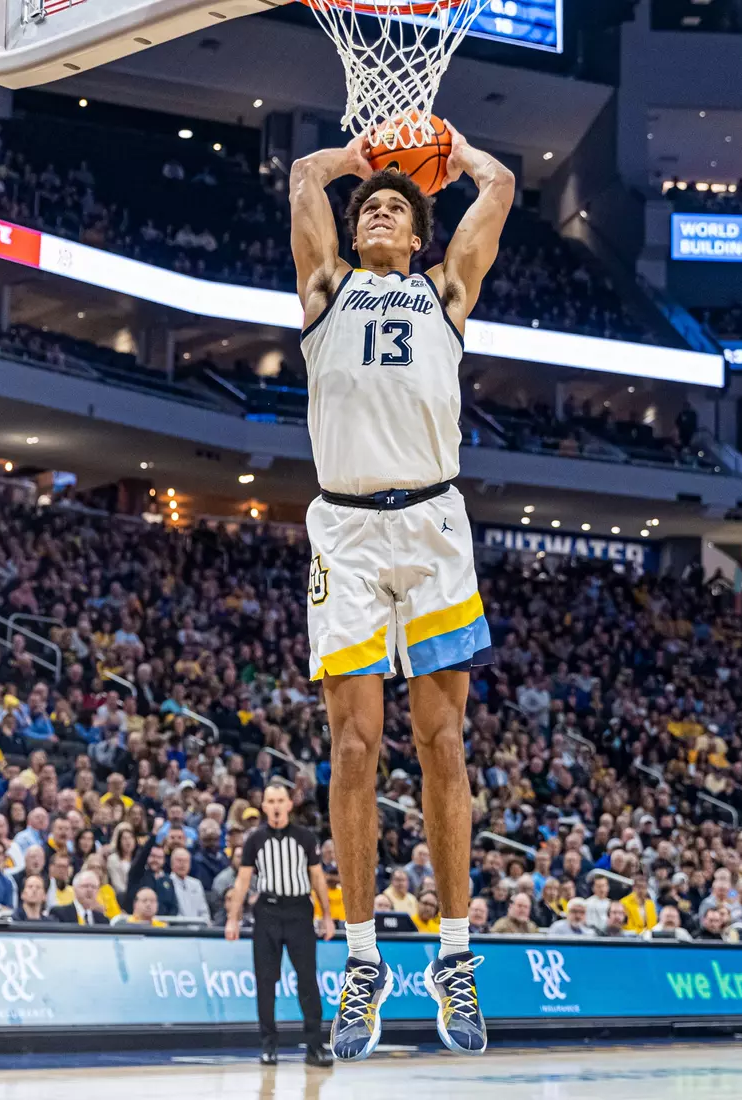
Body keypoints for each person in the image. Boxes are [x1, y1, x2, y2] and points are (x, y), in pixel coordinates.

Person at [291, 123, 514, 1061]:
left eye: (396, 206)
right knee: (351, 748)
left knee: (443, 742)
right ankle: (361, 961)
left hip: (431, 527)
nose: (381, 209)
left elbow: (497, 186)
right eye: (368, 208)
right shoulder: (323, 291)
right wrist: (364, 153)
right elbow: (306, 172)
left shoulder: (443, 291)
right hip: (343, 529)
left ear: (418, 237)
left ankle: (454, 958)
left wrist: (449, 148)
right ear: (351, 235)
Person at [226, 781, 334, 1068]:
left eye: (280, 801)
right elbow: (243, 881)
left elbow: (318, 878)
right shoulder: (254, 840)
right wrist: (233, 918)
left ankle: (315, 1046)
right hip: (268, 913)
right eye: (270, 801)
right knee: (265, 981)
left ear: (289, 804)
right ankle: (268, 1046)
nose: (275, 806)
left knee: (308, 980)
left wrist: (326, 915)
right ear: (264, 806)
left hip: (299, 911)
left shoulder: (305, 837)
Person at [170, 846, 211, 924]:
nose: (182, 864)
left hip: (197, 931)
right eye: (179, 860)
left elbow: (204, 911)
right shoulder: (167, 882)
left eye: (186, 861)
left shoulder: (196, 884)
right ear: (172, 863)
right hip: (176, 930)